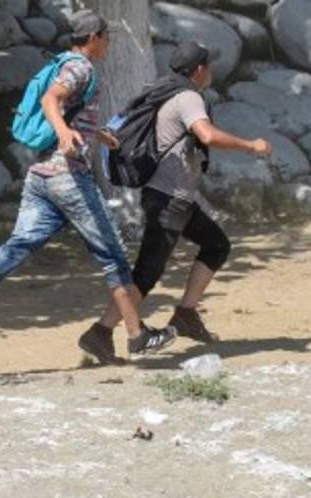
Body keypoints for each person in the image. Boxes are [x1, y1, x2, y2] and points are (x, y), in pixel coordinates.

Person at [0, 10, 175, 360]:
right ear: (93, 37)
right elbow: (52, 99)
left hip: (40, 178)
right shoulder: (81, 67)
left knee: (19, 244)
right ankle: (136, 335)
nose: (108, 43)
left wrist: (99, 136)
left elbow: (71, 111)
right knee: (114, 257)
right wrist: (64, 132)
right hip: (68, 179)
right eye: (106, 36)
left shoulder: (67, 62)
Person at [80, 42, 273, 357]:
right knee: (147, 272)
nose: (210, 71)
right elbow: (207, 135)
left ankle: (185, 313)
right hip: (169, 199)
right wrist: (252, 146)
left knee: (216, 245)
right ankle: (100, 331)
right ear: (198, 70)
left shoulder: (166, 90)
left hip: (173, 197)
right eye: (208, 65)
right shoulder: (187, 97)